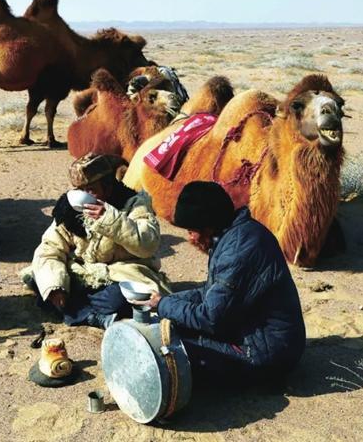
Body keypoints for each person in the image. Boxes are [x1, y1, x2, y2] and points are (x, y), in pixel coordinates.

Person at [142, 181, 306, 384]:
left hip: (265, 352)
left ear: (209, 226)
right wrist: (168, 300)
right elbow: (212, 293)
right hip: (256, 334)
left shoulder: (238, 249)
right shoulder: (236, 235)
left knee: (166, 352)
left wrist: (165, 305)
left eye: (192, 230)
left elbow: (212, 318)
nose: (190, 237)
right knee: (170, 327)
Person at [22, 153, 170, 329]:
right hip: (85, 273)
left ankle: (80, 313)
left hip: (123, 274)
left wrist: (109, 219)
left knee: (116, 299)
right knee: (42, 282)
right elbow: (49, 248)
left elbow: (147, 245)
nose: (83, 195)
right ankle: (94, 317)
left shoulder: (134, 204)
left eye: (90, 189)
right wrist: (56, 287)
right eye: (79, 189)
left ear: (107, 186)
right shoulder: (69, 210)